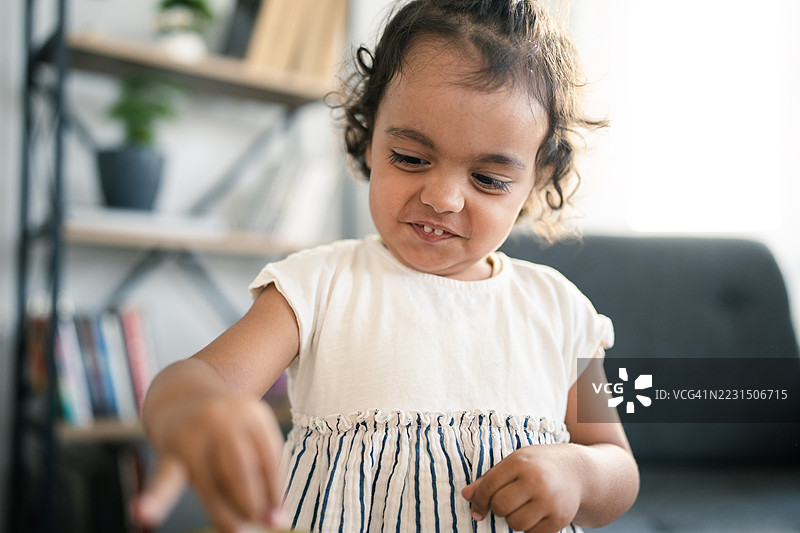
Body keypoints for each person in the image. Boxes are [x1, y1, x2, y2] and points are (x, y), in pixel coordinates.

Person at [132, 1, 640, 532]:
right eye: (411, 158)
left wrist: (579, 474)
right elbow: (191, 380)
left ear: (539, 176)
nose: (443, 198)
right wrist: (197, 409)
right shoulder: (319, 286)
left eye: (488, 179)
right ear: (371, 135)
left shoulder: (559, 310)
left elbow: (618, 466)